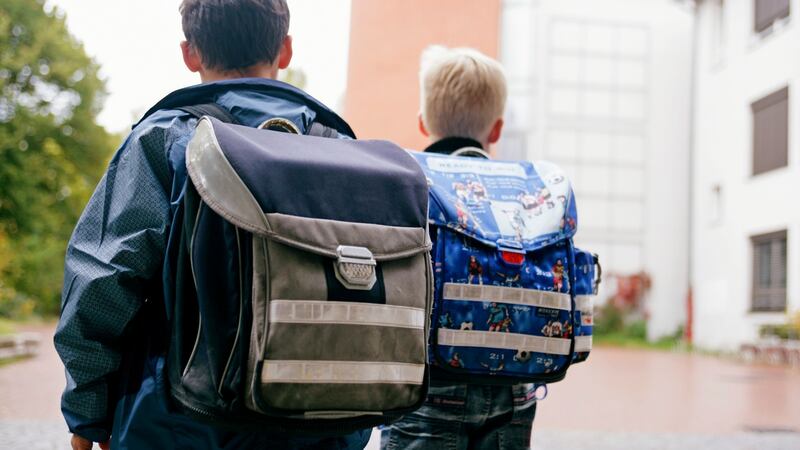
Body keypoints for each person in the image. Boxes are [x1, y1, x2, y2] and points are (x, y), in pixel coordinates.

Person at [53, 1, 371, 449]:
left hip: (176, 424)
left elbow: (102, 282)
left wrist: (87, 413)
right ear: (286, 49)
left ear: (190, 54)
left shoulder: (164, 139)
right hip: (318, 423)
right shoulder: (338, 148)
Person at [380, 46, 538, 450]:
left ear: (423, 122)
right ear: (497, 129)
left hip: (427, 389)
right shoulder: (525, 195)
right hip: (513, 390)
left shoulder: (406, 184)